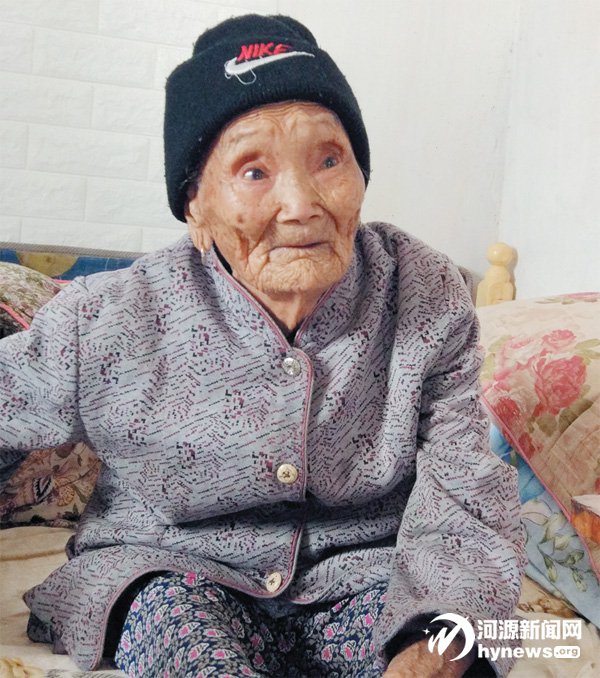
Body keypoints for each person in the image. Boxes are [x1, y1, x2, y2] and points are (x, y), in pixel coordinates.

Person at [0, 14, 525, 678]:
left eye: (329, 160)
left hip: (364, 580)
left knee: (458, 643)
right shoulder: (111, 316)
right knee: (180, 628)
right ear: (194, 205)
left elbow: (465, 490)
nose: (301, 204)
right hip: (168, 572)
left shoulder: (424, 290)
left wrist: (435, 642)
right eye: (254, 171)